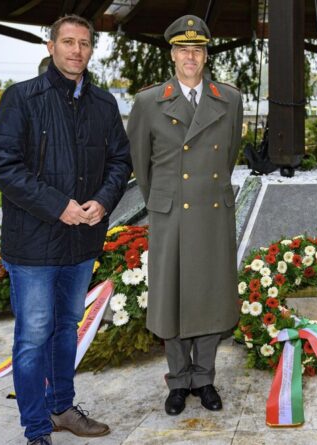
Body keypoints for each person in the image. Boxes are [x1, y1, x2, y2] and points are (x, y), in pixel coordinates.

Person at [0, 14, 132, 445]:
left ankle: (62, 407)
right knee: (33, 336)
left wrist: (103, 201)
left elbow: (120, 162)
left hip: (81, 240)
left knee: (67, 326)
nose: (76, 50)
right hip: (32, 243)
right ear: (50, 46)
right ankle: (36, 428)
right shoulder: (21, 98)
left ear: (91, 50)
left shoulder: (104, 104)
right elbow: (3, 166)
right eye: (67, 42)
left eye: (84, 43)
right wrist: (59, 206)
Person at [128, 15, 244, 416]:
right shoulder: (148, 102)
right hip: (171, 214)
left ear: (205, 53)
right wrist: (167, 200)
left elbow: (228, 157)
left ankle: (205, 379)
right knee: (172, 299)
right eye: (183, 49)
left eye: (197, 49)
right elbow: (142, 168)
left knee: (209, 298)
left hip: (211, 212)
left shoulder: (229, 99)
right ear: (173, 55)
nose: (190, 56)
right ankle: (178, 381)